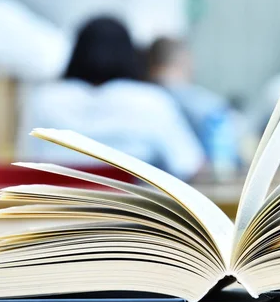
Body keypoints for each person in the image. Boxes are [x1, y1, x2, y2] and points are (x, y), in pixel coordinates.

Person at [17, 17, 205, 181]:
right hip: (137, 215)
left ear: (75, 53)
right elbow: (188, 164)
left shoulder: (43, 100)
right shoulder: (150, 101)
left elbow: (25, 159)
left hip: (53, 211)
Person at [147, 37, 240, 180]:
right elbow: (223, 165)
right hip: (201, 191)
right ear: (185, 62)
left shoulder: (137, 101)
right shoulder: (208, 106)